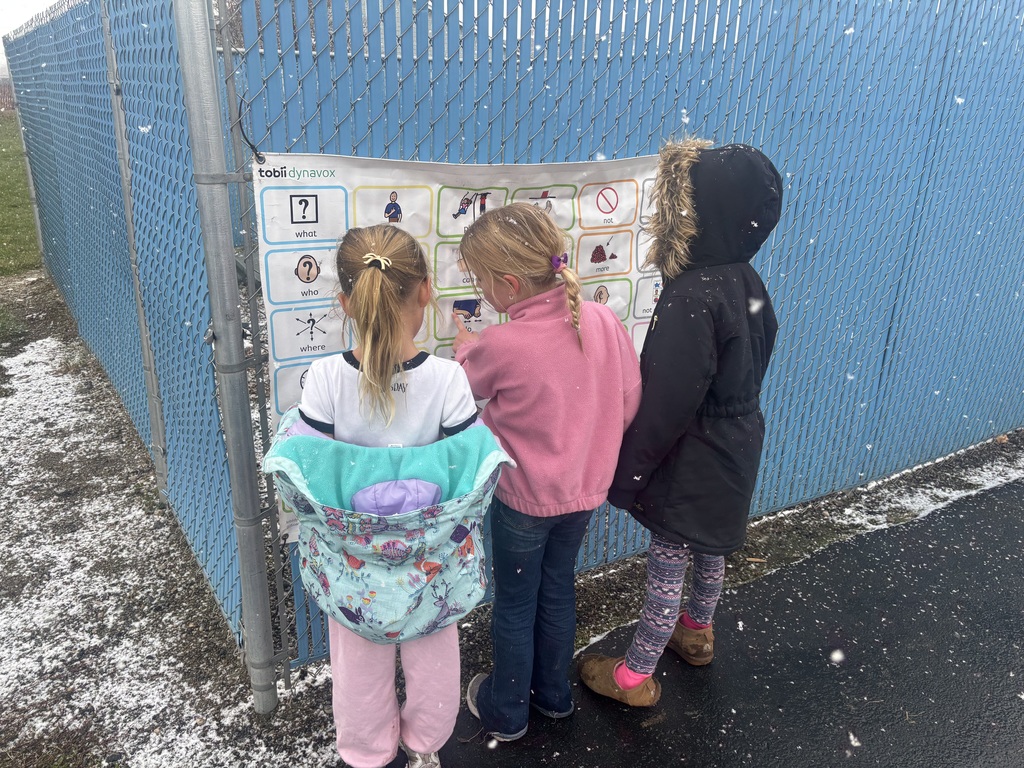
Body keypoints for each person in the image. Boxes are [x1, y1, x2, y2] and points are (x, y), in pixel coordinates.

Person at [263, 224, 510, 768]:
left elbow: (310, 474)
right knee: (435, 661)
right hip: (433, 565)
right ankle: (425, 748)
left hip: (352, 571)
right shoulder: (447, 379)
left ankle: (367, 754)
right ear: (425, 290)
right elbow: (469, 473)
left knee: (356, 666)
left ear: (345, 302)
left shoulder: (324, 379)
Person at [578, 139, 782, 706]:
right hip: (737, 443)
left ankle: (634, 676)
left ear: (699, 214)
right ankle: (697, 633)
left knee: (668, 560)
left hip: (693, 451)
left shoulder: (692, 294)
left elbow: (667, 400)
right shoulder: (747, 280)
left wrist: (629, 473)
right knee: (710, 548)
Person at [452, 202, 642, 740]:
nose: (482, 291)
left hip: (521, 502)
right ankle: (554, 696)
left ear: (510, 284)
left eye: (482, 281)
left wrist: (467, 349)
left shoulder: (501, 343)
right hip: (583, 496)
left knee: (515, 603)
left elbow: (463, 395)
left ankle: (507, 711)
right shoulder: (602, 319)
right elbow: (628, 402)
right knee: (557, 589)